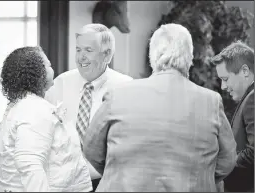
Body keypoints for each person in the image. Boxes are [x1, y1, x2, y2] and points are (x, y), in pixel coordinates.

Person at [83, 23, 237, 192]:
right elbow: (227, 160)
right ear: (189, 59)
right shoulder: (211, 101)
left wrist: (120, 171)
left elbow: (91, 149)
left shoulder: (117, 95)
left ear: (152, 57)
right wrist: (200, 175)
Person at [45, 23, 133, 191]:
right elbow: (39, 120)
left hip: (107, 182)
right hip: (65, 183)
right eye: (78, 50)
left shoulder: (126, 87)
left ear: (107, 55)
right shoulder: (60, 83)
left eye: (88, 50)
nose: (81, 57)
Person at [0, 46, 92, 192]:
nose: (52, 69)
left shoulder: (19, 105)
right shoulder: (34, 109)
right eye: (49, 65)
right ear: (37, 73)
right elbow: (30, 166)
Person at [210, 41, 254, 192]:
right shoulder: (249, 97)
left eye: (226, 79)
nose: (223, 87)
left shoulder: (252, 98)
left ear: (245, 71)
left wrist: (224, 164)